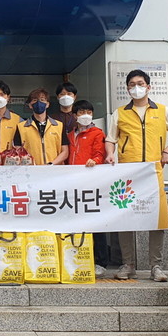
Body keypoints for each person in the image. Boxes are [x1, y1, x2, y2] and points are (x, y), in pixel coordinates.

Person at [105, 69, 168, 282]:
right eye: (132, 84)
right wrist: (110, 154)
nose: (136, 88)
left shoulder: (162, 111)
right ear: (127, 89)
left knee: (157, 219)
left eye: (140, 83)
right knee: (125, 218)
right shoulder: (120, 113)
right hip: (127, 173)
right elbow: (111, 139)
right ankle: (128, 264)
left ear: (149, 87)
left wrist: (167, 151)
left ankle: (156, 266)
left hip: (153, 172)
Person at [68, 99, 108, 278]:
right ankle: (78, 257)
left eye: (89, 113)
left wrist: (96, 161)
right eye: (82, 112)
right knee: (76, 222)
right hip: (73, 184)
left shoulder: (97, 133)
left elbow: (100, 153)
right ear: (74, 115)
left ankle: (101, 261)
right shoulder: (70, 135)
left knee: (95, 222)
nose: (86, 115)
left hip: (91, 183)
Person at [15, 88, 69, 165]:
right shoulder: (21, 127)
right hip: (31, 170)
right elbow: (18, 151)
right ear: (30, 105)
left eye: (42, 100)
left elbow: (65, 151)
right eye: (35, 100)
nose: (38, 103)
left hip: (54, 169)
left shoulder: (58, 126)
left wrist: (51, 164)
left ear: (47, 104)